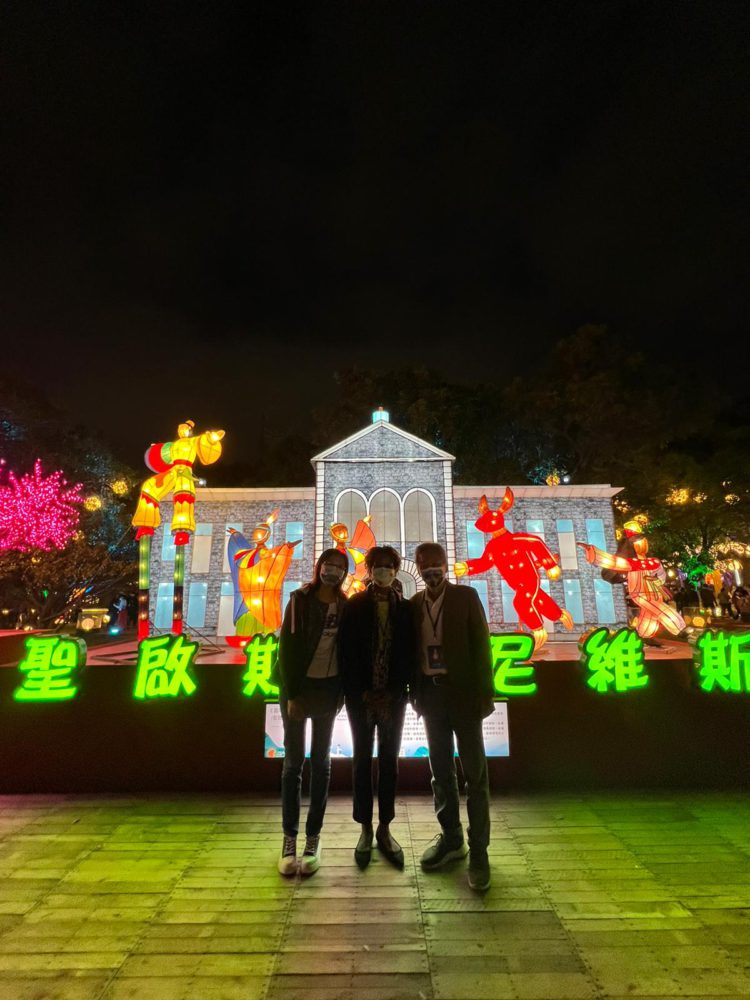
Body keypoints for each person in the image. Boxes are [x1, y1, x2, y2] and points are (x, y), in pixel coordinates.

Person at [411, 542, 495, 892]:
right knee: (440, 770)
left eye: (436, 563)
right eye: (424, 564)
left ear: (446, 565)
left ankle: (479, 851)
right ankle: (451, 839)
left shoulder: (466, 596)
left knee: (475, 773)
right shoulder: (414, 605)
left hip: (464, 695)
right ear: (417, 567)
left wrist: (485, 694)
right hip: (431, 695)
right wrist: (415, 695)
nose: (431, 569)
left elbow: (481, 644)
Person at [274, 548, 349, 878]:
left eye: (339, 567)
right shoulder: (300, 600)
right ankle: (289, 839)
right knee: (293, 764)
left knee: (321, 762)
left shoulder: (346, 607)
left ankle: (313, 839)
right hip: (298, 689)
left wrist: (342, 692)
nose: (332, 571)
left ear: (345, 573)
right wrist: (291, 694)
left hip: (328, 690)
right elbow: (286, 649)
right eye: (328, 565)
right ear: (318, 567)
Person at [339, 546, 415, 869]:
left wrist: (396, 691)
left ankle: (385, 827)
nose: (383, 570)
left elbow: (410, 655)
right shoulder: (354, 606)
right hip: (360, 699)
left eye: (389, 566)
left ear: (396, 570)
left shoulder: (406, 609)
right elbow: (346, 654)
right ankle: (365, 829)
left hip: (394, 699)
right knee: (360, 761)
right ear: (368, 570)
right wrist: (362, 692)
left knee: (389, 762)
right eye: (377, 566)